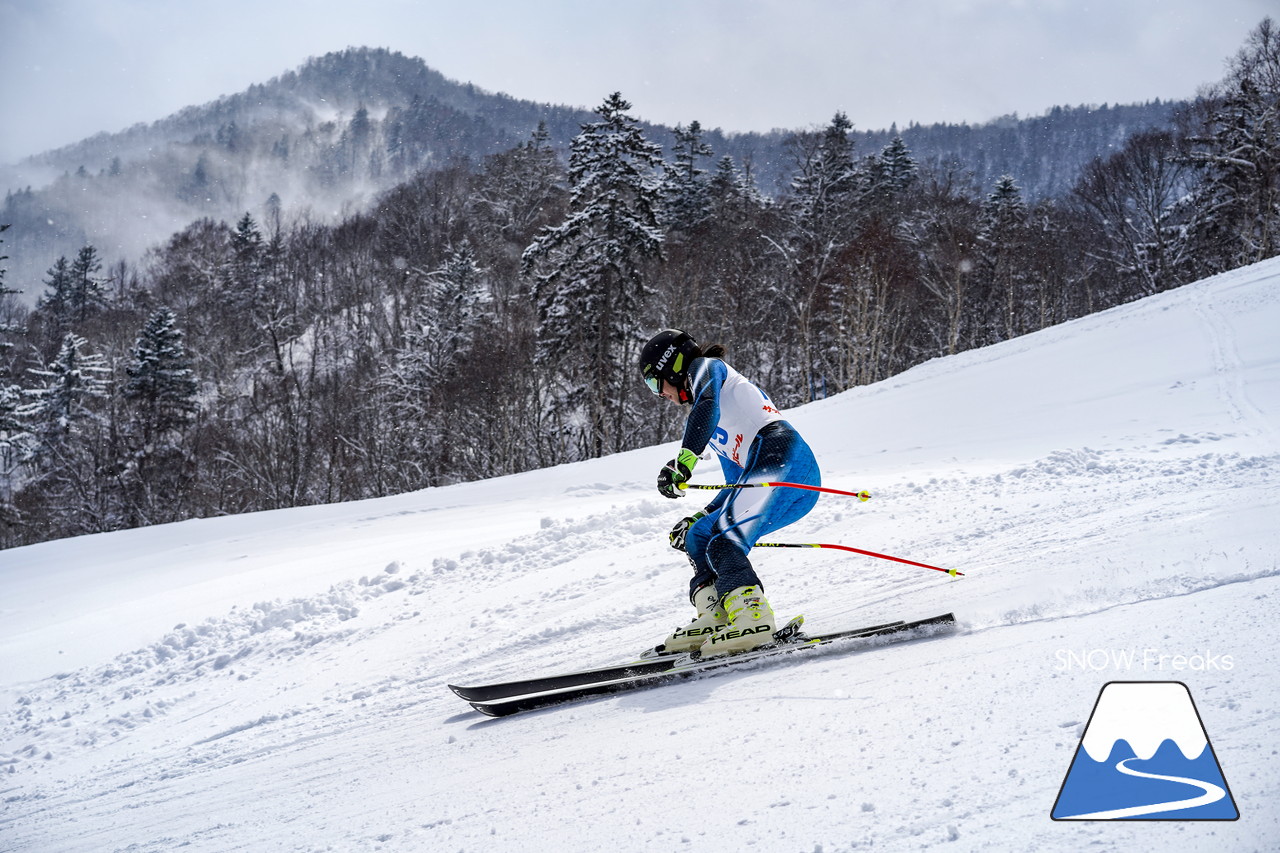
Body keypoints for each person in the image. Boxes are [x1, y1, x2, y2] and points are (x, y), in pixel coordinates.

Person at [639, 328, 821, 656]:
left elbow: (706, 404)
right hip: (768, 471)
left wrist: (684, 462)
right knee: (699, 536)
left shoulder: (706, 368)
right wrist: (702, 514)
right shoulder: (713, 422)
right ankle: (718, 615)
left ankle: (753, 618)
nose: (659, 394)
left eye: (655, 383)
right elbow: (737, 480)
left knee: (724, 540)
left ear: (674, 367)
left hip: (784, 458)